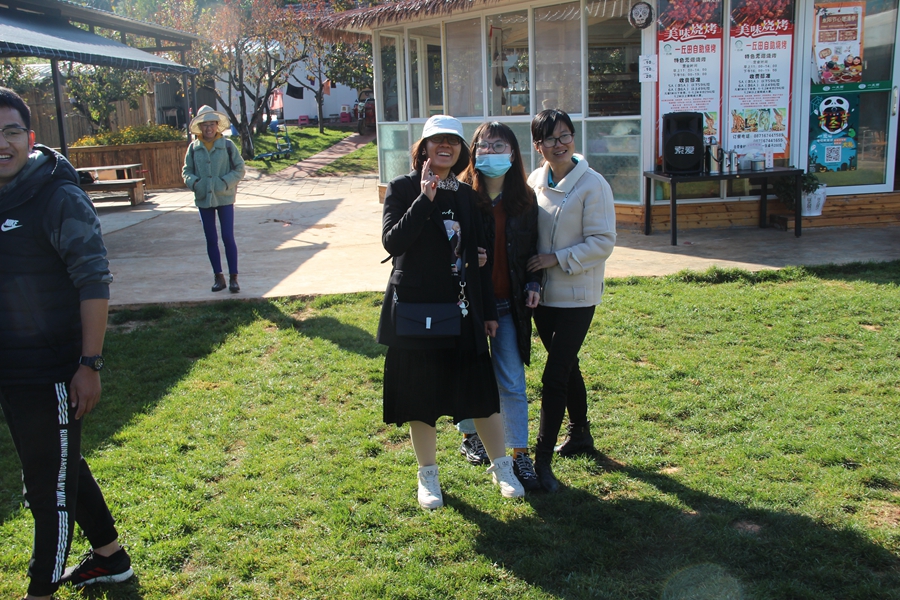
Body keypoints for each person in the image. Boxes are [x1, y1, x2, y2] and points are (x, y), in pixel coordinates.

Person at [0, 87, 133, 600]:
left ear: (30, 137)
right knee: (59, 465)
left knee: (47, 490)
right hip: (12, 370)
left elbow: (94, 281)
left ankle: (40, 591)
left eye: (11, 132)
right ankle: (110, 558)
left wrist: (89, 364)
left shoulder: (58, 196)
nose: (2, 143)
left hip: (53, 370)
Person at [376, 115, 525, 509]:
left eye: (454, 141)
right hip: (415, 310)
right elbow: (393, 242)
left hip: (460, 309)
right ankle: (428, 477)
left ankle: (502, 468)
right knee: (419, 398)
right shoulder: (402, 187)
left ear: (461, 151)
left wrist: (488, 311)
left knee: (481, 393)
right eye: (437, 140)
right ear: (423, 147)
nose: (446, 146)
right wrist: (424, 199)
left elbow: (480, 259)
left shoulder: (465, 195)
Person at [525, 109, 617, 492]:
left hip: (578, 297)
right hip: (542, 297)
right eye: (550, 138)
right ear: (538, 146)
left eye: (565, 135)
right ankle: (580, 433)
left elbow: (603, 242)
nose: (559, 144)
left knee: (554, 374)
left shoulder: (593, 185)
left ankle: (541, 462)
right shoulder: (534, 181)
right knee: (567, 366)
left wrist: (556, 258)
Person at [456, 122, 541, 492]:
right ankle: (470, 435)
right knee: (469, 374)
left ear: (513, 152)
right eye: (484, 146)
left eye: (499, 145)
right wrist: (463, 253)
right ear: (473, 152)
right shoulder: (461, 194)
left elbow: (532, 248)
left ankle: (520, 453)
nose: (490, 152)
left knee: (512, 380)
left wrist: (534, 283)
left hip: (508, 303)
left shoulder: (525, 198)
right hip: (470, 304)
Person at [183, 105, 246, 293]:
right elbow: (187, 171)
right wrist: (196, 184)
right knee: (211, 238)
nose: (208, 128)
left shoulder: (227, 145)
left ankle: (233, 277)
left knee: (228, 237)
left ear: (217, 125)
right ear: (200, 127)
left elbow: (240, 169)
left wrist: (225, 182)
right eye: (205, 125)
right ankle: (218, 277)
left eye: (212, 124)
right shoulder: (193, 148)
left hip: (224, 198)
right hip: (204, 199)